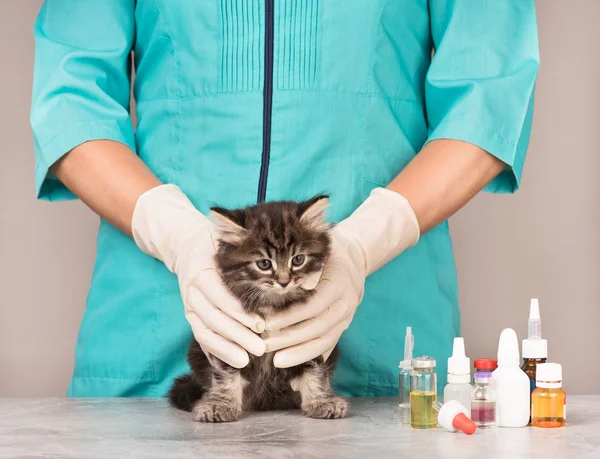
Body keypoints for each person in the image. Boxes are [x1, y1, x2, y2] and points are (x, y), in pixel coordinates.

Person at [30, 1, 539, 397]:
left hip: (380, 331)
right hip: (154, 324)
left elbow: (488, 95)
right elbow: (70, 99)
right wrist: (174, 235)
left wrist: (365, 243)